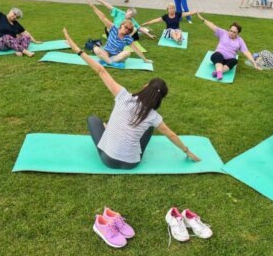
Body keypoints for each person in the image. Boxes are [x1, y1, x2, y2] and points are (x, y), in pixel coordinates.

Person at [62, 28, 200, 169]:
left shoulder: (123, 96)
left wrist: (77, 49)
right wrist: (187, 152)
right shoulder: (153, 116)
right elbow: (171, 135)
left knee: (93, 120)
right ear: (160, 98)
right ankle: (114, 133)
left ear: (146, 86)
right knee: (150, 127)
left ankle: (108, 129)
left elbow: (101, 70)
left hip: (107, 160)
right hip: (132, 163)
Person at [197, 13, 260, 79]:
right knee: (217, 55)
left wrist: (254, 63)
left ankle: (218, 72)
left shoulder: (240, 40)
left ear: (238, 33)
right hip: (218, 56)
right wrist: (202, 19)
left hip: (228, 60)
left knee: (234, 61)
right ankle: (219, 74)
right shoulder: (223, 33)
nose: (231, 33)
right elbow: (212, 26)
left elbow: (246, 52)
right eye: (230, 31)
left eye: (234, 32)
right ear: (229, 30)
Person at [88, 3, 152, 67]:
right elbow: (103, 17)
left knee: (127, 53)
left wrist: (145, 60)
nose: (127, 30)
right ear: (121, 25)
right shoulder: (113, 28)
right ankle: (111, 62)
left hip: (117, 56)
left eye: (129, 30)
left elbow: (136, 50)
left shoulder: (127, 38)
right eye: (126, 27)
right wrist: (93, 7)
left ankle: (106, 61)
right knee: (96, 49)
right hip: (106, 53)